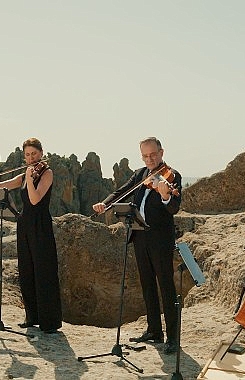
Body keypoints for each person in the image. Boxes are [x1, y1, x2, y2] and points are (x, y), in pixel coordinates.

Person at [92, 137, 182, 354]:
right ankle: (154, 330)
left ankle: (172, 338)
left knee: (166, 287)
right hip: (139, 235)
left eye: (153, 155)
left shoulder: (173, 176)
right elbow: (122, 190)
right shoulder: (141, 174)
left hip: (160, 239)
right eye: (145, 156)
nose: (149, 159)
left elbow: (174, 208)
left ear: (161, 152)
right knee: (147, 284)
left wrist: (165, 196)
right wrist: (106, 203)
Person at [0, 137, 62, 333]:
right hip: (24, 223)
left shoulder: (47, 173)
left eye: (34, 154)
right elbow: (0, 186)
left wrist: (29, 177)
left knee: (43, 270)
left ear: (41, 153)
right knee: (26, 269)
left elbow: (35, 199)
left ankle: (49, 322)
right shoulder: (23, 175)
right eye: (27, 155)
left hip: (41, 225)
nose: (30, 158)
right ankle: (32, 316)